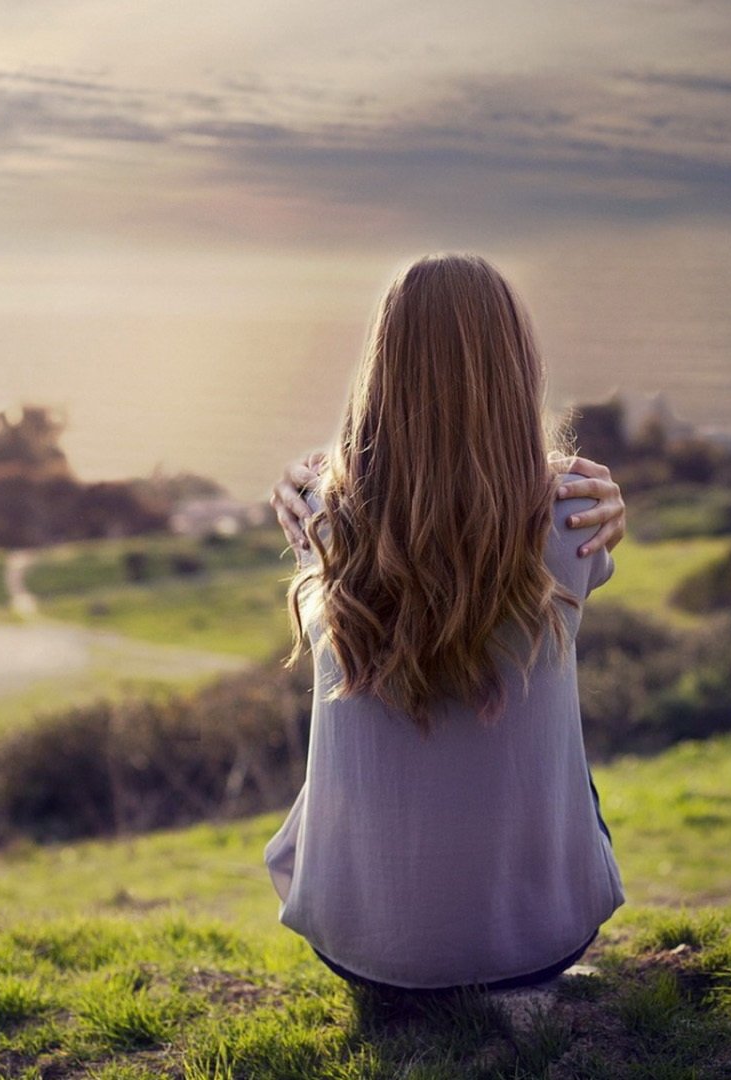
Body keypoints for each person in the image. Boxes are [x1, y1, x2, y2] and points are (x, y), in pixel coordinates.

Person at [262, 252, 629, 997]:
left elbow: (353, 487)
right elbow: (556, 524)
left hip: (357, 946)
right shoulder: (570, 516)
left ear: (380, 372)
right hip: (536, 948)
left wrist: (306, 482)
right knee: (571, 774)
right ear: (516, 368)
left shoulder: (325, 519)